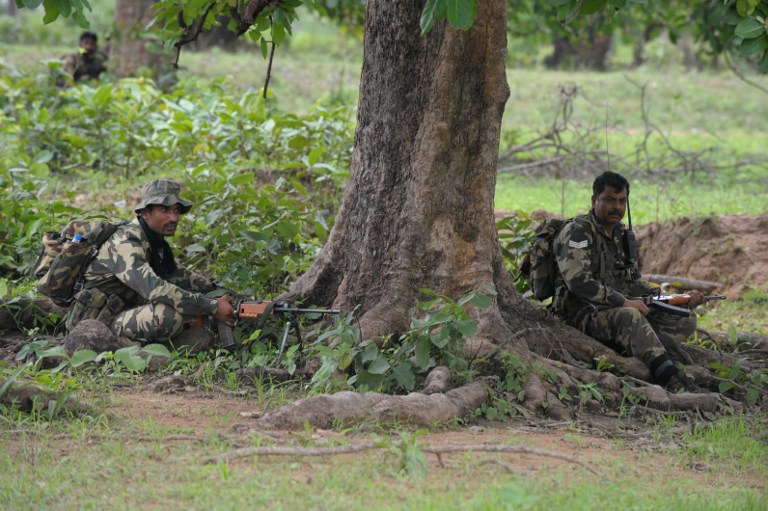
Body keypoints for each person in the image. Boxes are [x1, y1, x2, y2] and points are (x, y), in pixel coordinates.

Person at [552, 171, 704, 392]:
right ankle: (671, 379)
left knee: (686, 319)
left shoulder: (621, 236)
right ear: (595, 201)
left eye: (622, 201)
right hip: (581, 315)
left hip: (616, 311)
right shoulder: (578, 232)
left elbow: (633, 281)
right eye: (610, 200)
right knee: (631, 316)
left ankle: (641, 346)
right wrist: (623, 302)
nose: (617, 207)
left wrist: (670, 299)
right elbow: (579, 283)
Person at [65, 179, 236, 350]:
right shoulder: (125, 242)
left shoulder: (152, 240)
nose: (174, 217)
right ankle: (143, 349)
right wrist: (212, 307)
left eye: (176, 211)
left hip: (123, 309)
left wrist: (220, 292)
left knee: (184, 298)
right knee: (169, 316)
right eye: (164, 210)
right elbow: (155, 289)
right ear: (145, 212)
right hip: (96, 324)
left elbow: (176, 275)